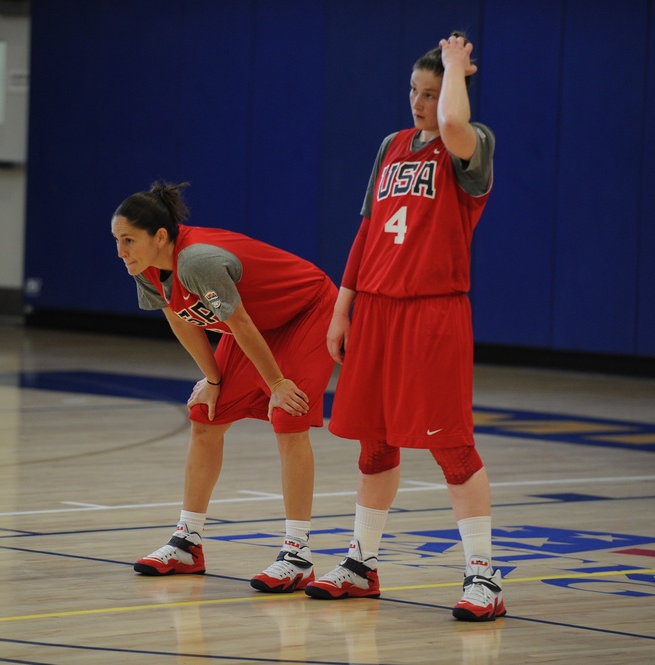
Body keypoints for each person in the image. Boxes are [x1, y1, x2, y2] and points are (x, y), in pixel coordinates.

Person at [303, 33, 504, 622]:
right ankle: (361, 564)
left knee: (451, 445)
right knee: (375, 440)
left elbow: (453, 123)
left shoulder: (471, 146)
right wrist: (344, 309)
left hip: (434, 311)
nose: (420, 104)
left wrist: (453, 72)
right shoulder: (391, 146)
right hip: (378, 310)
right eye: (415, 92)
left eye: (432, 93)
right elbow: (366, 233)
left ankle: (483, 576)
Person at [111, 181, 338, 593]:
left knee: (288, 415)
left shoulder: (197, 261)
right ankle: (188, 543)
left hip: (308, 311)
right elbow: (181, 319)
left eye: (128, 240)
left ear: (160, 237)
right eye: (117, 240)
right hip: (256, 323)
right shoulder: (144, 268)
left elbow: (241, 325)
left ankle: (298, 555)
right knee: (204, 415)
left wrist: (278, 384)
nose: (120, 251)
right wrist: (213, 380)